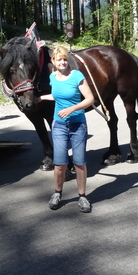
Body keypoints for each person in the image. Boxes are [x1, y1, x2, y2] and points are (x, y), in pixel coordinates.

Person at [37, 46, 94, 213]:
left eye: (64, 59)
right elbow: (57, 95)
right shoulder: (53, 77)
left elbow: (90, 99)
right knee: (60, 164)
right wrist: (41, 98)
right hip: (59, 126)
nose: (62, 62)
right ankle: (57, 193)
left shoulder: (76, 76)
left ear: (67, 60)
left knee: (79, 163)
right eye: (58, 59)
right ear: (53, 62)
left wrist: (72, 109)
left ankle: (82, 196)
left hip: (78, 125)